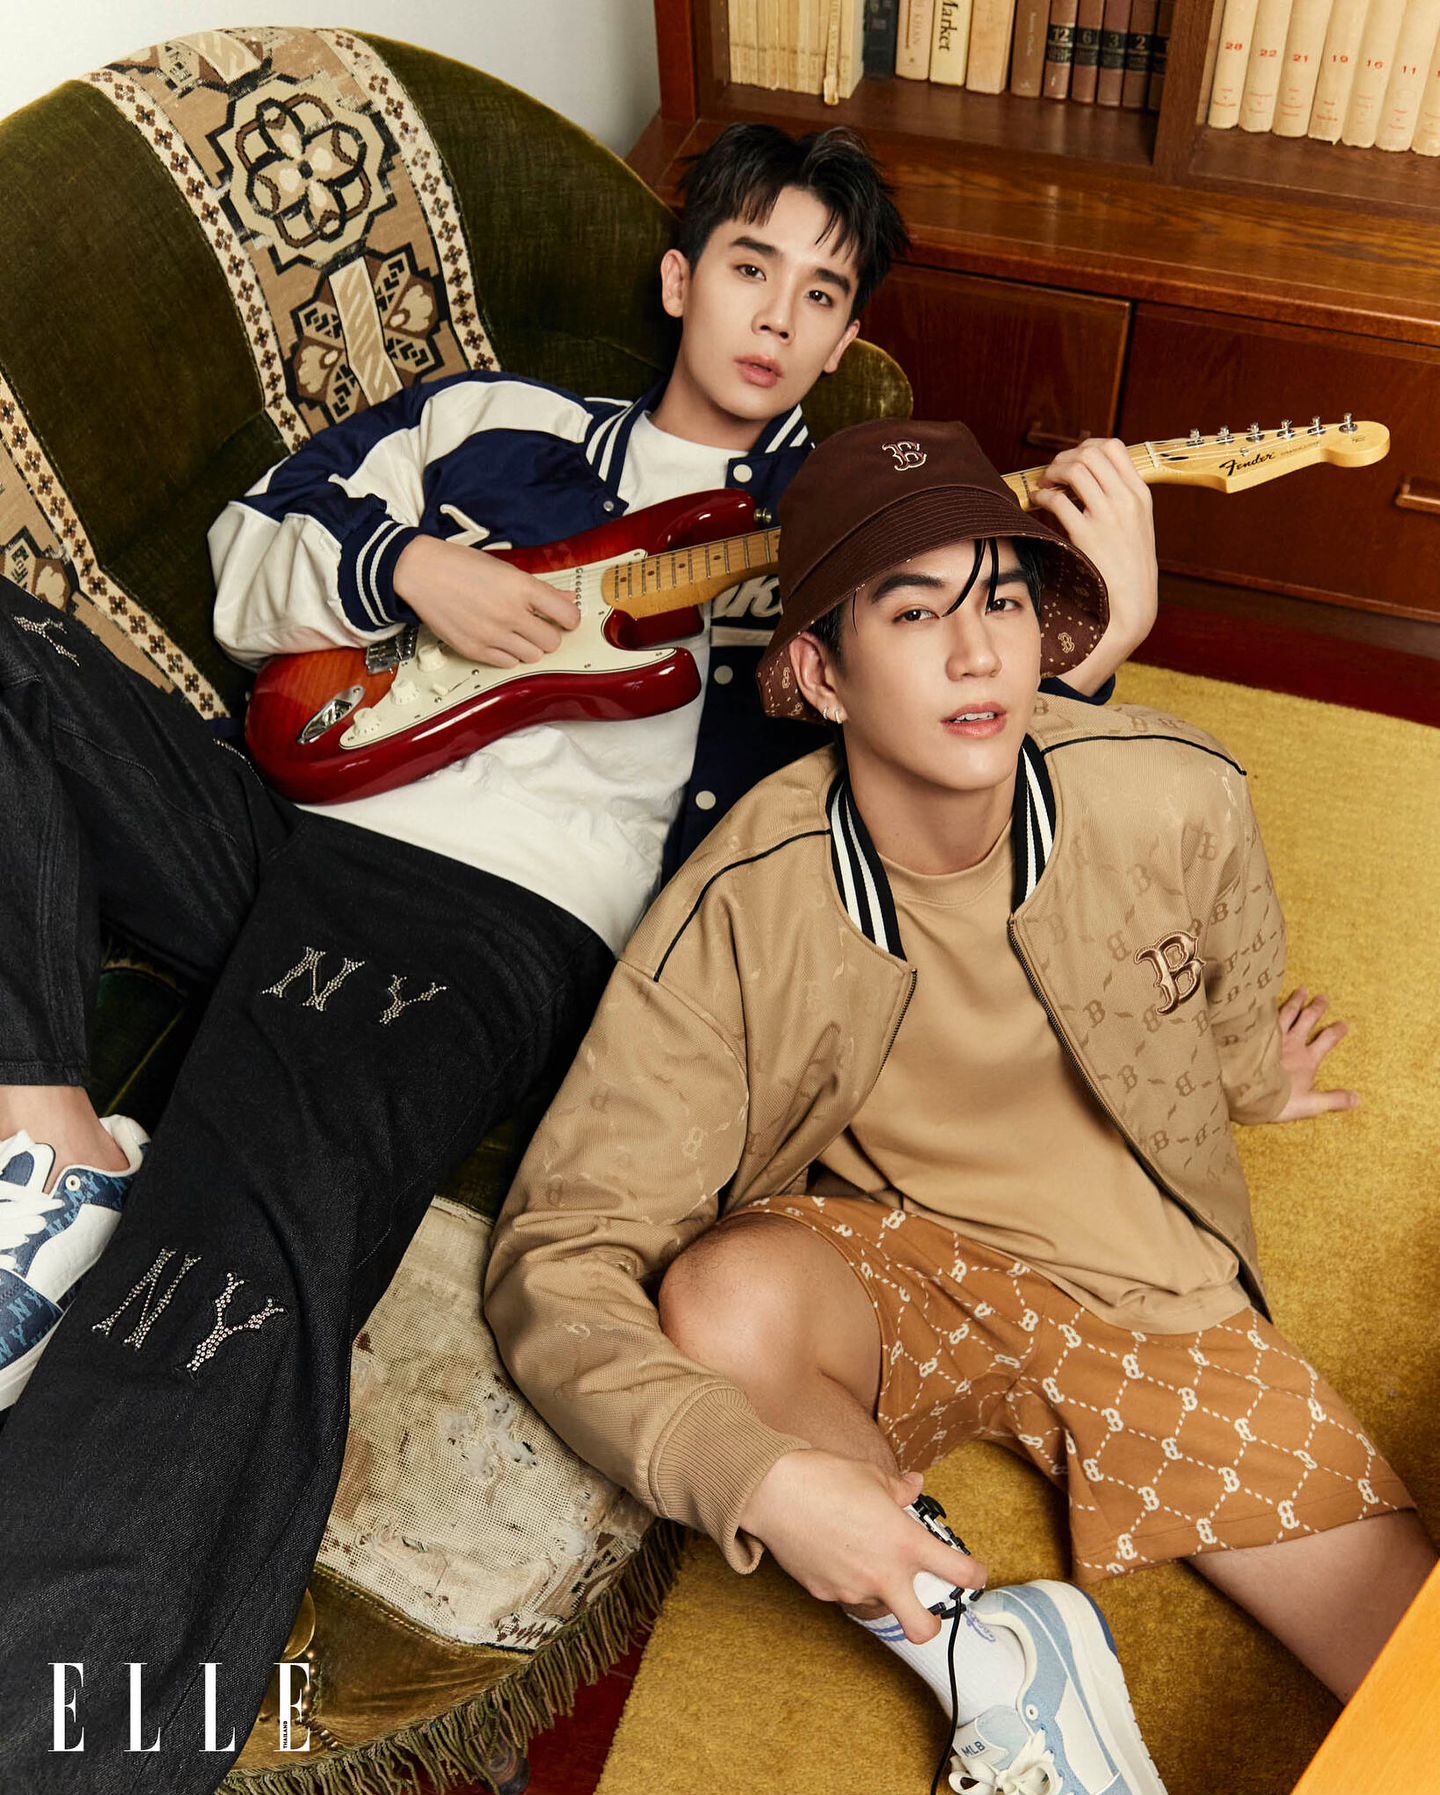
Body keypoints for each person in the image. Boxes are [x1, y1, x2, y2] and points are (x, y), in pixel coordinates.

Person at [0, 128, 1158, 1792]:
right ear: (682, 279)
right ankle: (45, 1140)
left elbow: (939, 809)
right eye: (751, 267)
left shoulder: (843, 550)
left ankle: (59, 1741)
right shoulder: (494, 421)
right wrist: (411, 568)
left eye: (821, 294)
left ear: (845, 340)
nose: (777, 316)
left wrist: (1090, 652)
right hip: (290, 811)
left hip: (490, 917)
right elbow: (256, 555)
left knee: (236, 1254)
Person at [484, 417, 1436, 1794]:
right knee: (721, 1300)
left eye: (1002, 599)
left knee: (1419, 1680)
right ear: (822, 673)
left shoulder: (1177, 793)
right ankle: (997, 1663)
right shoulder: (741, 906)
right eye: (916, 611)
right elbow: (558, 1256)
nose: (978, 651)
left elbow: (1230, 972)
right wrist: (754, 1477)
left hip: (1152, 1289)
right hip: (901, 1259)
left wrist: (1248, 1079)